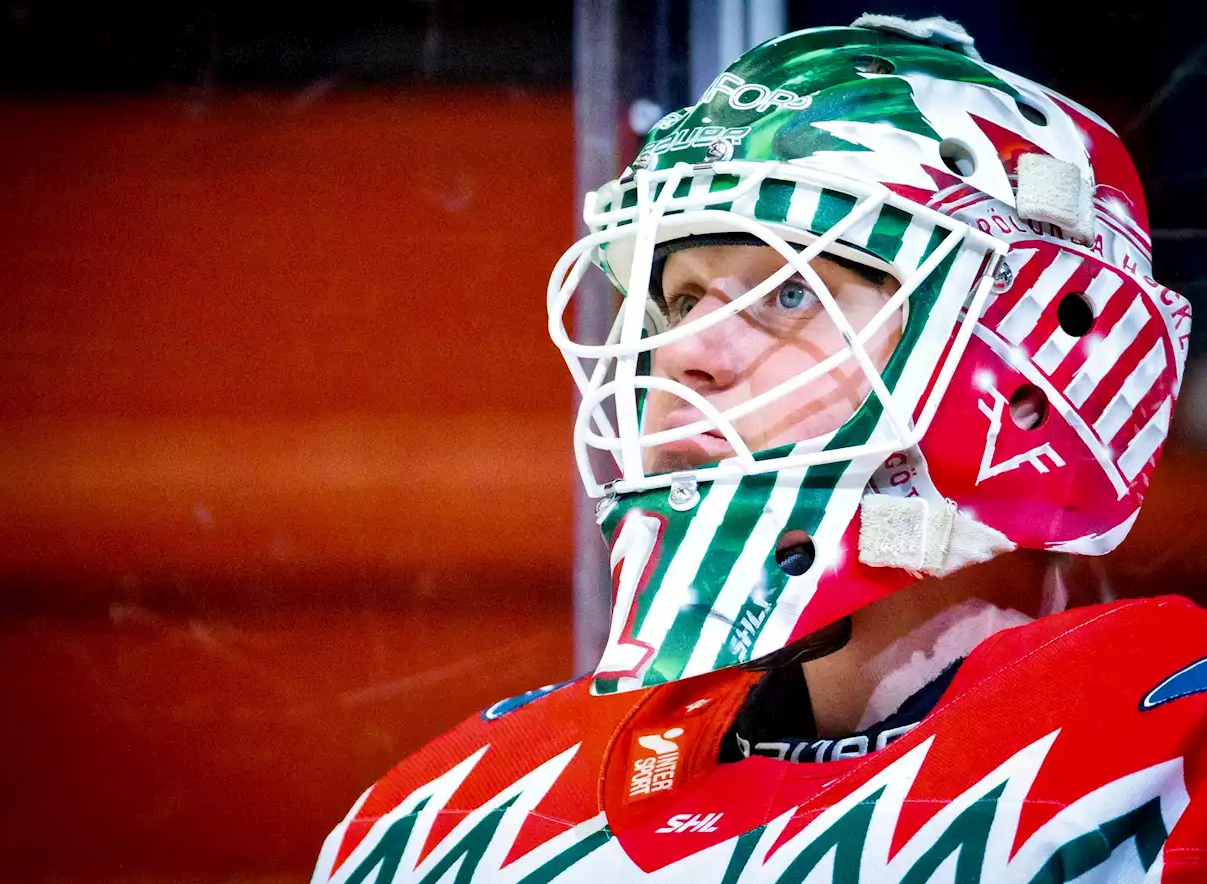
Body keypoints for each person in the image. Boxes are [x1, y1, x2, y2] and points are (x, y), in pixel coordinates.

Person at [312, 15, 1207, 883]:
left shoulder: (1174, 753)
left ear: (1028, 360)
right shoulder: (450, 821)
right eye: (684, 297)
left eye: (787, 293)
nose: (684, 352)